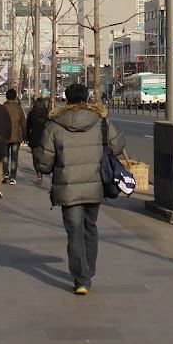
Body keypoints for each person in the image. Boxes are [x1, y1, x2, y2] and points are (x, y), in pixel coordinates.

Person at [36, 82, 125, 296]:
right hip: (95, 185)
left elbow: (44, 164)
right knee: (90, 227)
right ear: (87, 99)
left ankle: (81, 279)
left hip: (67, 188)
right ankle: (88, 272)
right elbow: (117, 146)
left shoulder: (54, 125)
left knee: (74, 231)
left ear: (66, 100)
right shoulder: (101, 120)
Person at [25, 94, 52, 188]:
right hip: (45, 139)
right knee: (44, 157)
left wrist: (27, 138)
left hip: (34, 138)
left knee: (35, 158)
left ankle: (39, 175)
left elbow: (28, 127)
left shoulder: (32, 114)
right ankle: (44, 170)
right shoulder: (47, 114)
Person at [2, 88, 26, 185]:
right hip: (16, 137)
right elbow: (23, 123)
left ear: (6, 97)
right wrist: (25, 136)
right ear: (15, 96)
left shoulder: (3, 107)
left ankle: (5, 173)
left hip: (5, 136)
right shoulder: (19, 108)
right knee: (14, 157)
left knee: (5, 155)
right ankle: (13, 177)